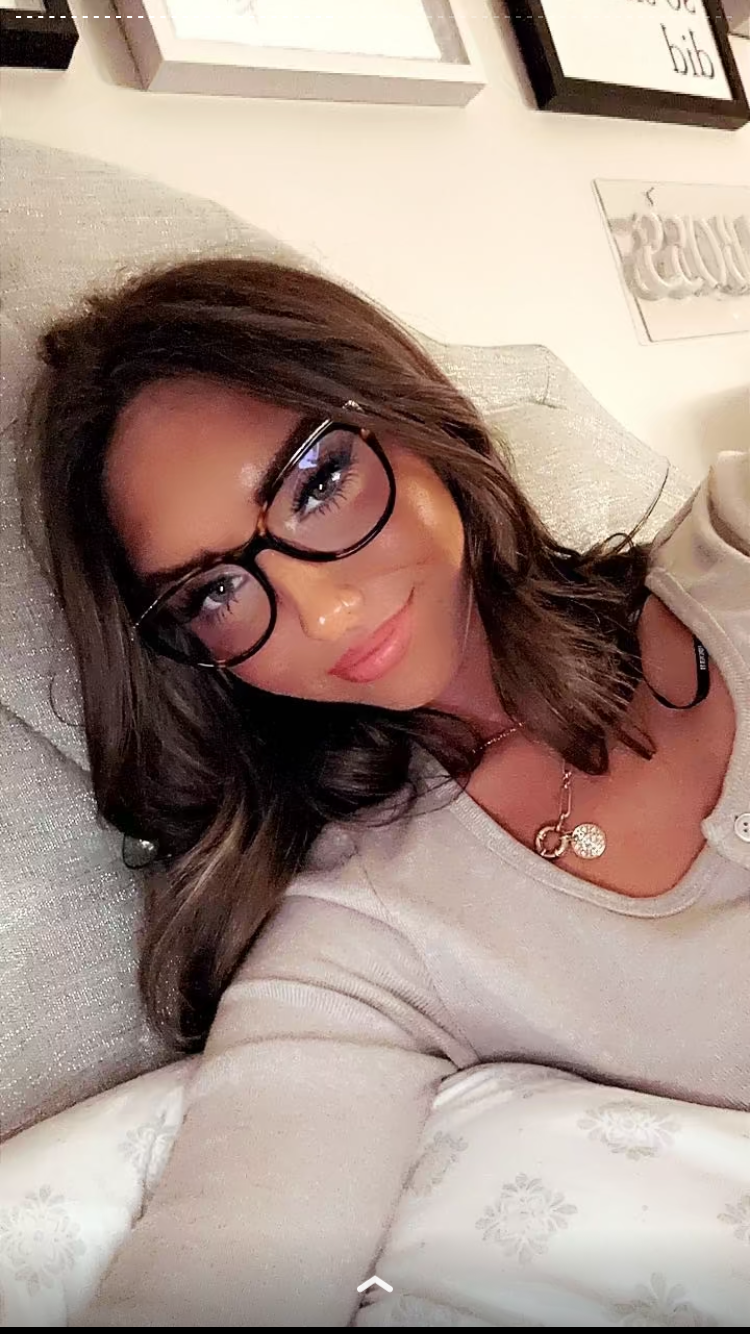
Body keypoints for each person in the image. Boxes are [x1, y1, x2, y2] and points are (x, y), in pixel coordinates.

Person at [21, 256, 748, 1327]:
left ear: (411, 419)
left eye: (315, 486)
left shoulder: (735, 540)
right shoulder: (358, 935)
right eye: (214, 592)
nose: (321, 614)